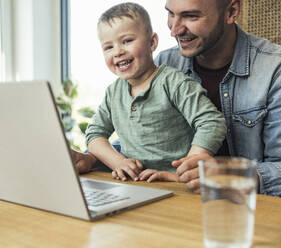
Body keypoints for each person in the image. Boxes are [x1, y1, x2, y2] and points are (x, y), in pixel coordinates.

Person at [73, 0, 281, 196]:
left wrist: (228, 174)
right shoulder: (164, 62)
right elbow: (147, 142)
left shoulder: (274, 70)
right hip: (160, 193)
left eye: (191, 16)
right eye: (170, 14)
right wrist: (93, 160)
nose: (173, 30)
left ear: (231, 12)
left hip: (243, 207)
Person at [80, 2, 226, 183]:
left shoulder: (174, 82)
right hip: (137, 185)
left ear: (152, 42)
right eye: (108, 47)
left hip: (178, 184)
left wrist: (185, 171)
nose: (117, 51)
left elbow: (212, 122)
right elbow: (94, 134)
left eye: (127, 41)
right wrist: (120, 163)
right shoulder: (113, 92)